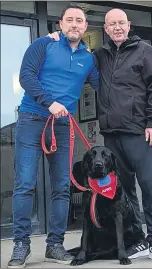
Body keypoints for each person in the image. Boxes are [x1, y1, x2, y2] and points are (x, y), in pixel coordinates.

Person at [48, 8, 152, 262]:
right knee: (125, 190)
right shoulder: (100, 55)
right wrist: (58, 38)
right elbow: (76, 57)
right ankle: (138, 238)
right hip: (111, 135)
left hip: (139, 131)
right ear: (105, 29)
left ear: (128, 26)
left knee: (149, 185)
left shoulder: (144, 50)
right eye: (111, 24)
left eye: (121, 23)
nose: (117, 27)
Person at [7, 4, 99, 268]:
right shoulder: (43, 45)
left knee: (61, 187)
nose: (74, 24)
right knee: (25, 183)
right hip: (32, 119)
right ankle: (21, 245)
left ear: (84, 27)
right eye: (69, 19)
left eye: (79, 21)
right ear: (61, 24)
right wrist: (48, 102)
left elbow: (102, 86)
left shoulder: (88, 58)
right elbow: (26, 76)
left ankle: (55, 245)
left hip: (62, 125)